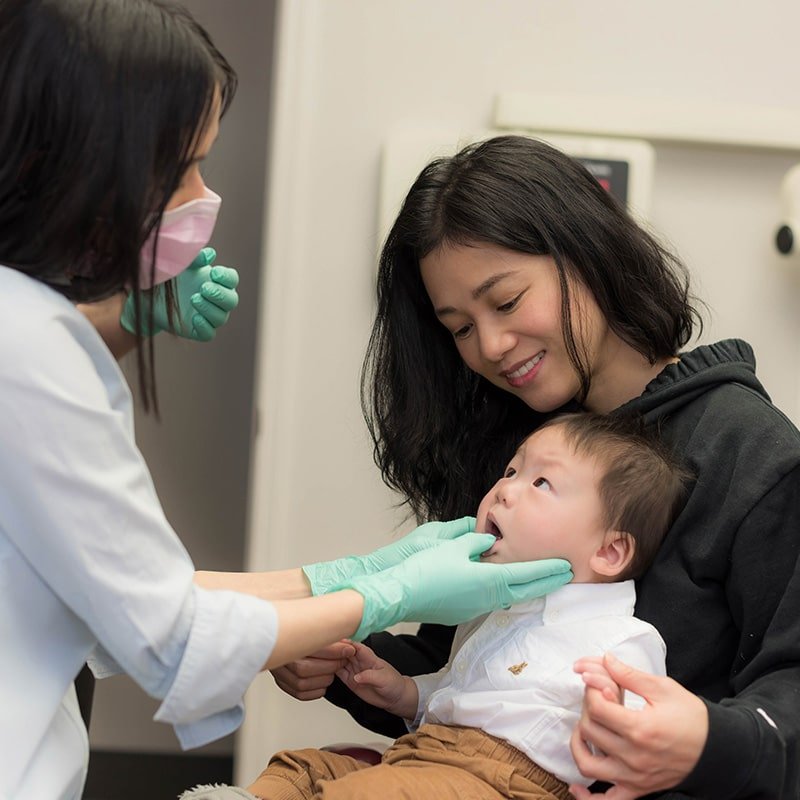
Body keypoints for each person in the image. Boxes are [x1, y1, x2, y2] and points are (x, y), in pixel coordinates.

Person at [0, 6, 572, 800]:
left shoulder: (31, 334)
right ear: (89, 163)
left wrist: (353, 578)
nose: (204, 195)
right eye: (184, 167)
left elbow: (148, 595)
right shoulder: (27, 351)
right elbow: (169, 630)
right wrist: (379, 595)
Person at [272, 134, 800, 799]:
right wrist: (346, 661)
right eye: (460, 328)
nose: (490, 346)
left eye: (507, 301)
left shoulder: (751, 457)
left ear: (587, 256)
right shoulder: (519, 443)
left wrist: (704, 743)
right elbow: (463, 672)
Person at [201, 412, 686, 800]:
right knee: (303, 766)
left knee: (368, 792)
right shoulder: (492, 609)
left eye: (541, 484)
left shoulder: (623, 638)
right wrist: (404, 694)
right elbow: (464, 698)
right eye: (512, 470)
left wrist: (616, 726)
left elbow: (647, 736)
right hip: (425, 755)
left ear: (610, 552)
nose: (505, 489)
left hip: (506, 782)